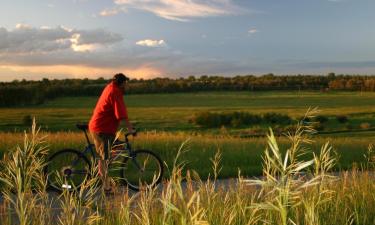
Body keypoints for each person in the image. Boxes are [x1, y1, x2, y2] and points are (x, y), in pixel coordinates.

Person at [89, 73, 134, 192]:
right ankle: (106, 187)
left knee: (118, 147)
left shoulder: (110, 87)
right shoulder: (115, 92)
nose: (127, 86)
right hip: (102, 129)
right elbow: (121, 114)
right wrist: (130, 128)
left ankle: (101, 168)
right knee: (105, 158)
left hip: (102, 127)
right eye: (126, 83)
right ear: (122, 83)